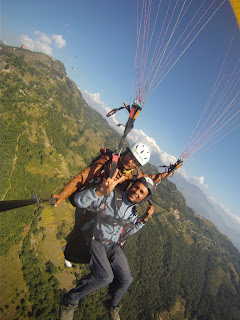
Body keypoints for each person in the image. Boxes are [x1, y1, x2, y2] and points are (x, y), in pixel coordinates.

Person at [60, 171, 155, 320]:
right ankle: (69, 301)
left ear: (144, 198)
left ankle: (112, 305)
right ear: (131, 185)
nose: (137, 192)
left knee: (126, 280)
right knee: (105, 277)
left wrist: (144, 220)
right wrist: (99, 192)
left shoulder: (133, 213)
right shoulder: (111, 195)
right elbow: (79, 201)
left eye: (141, 192)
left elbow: (128, 232)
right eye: (136, 187)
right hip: (94, 239)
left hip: (112, 246)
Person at [52, 142, 171, 207]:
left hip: (105, 208)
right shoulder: (108, 161)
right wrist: (62, 195)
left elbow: (150, 179)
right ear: (126, 152)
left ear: (137, 165)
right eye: (131, 156)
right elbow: (83, 177)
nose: (130, 161)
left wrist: (167, 174)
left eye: (135, 161)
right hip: (89, 198)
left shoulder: (134, 174)